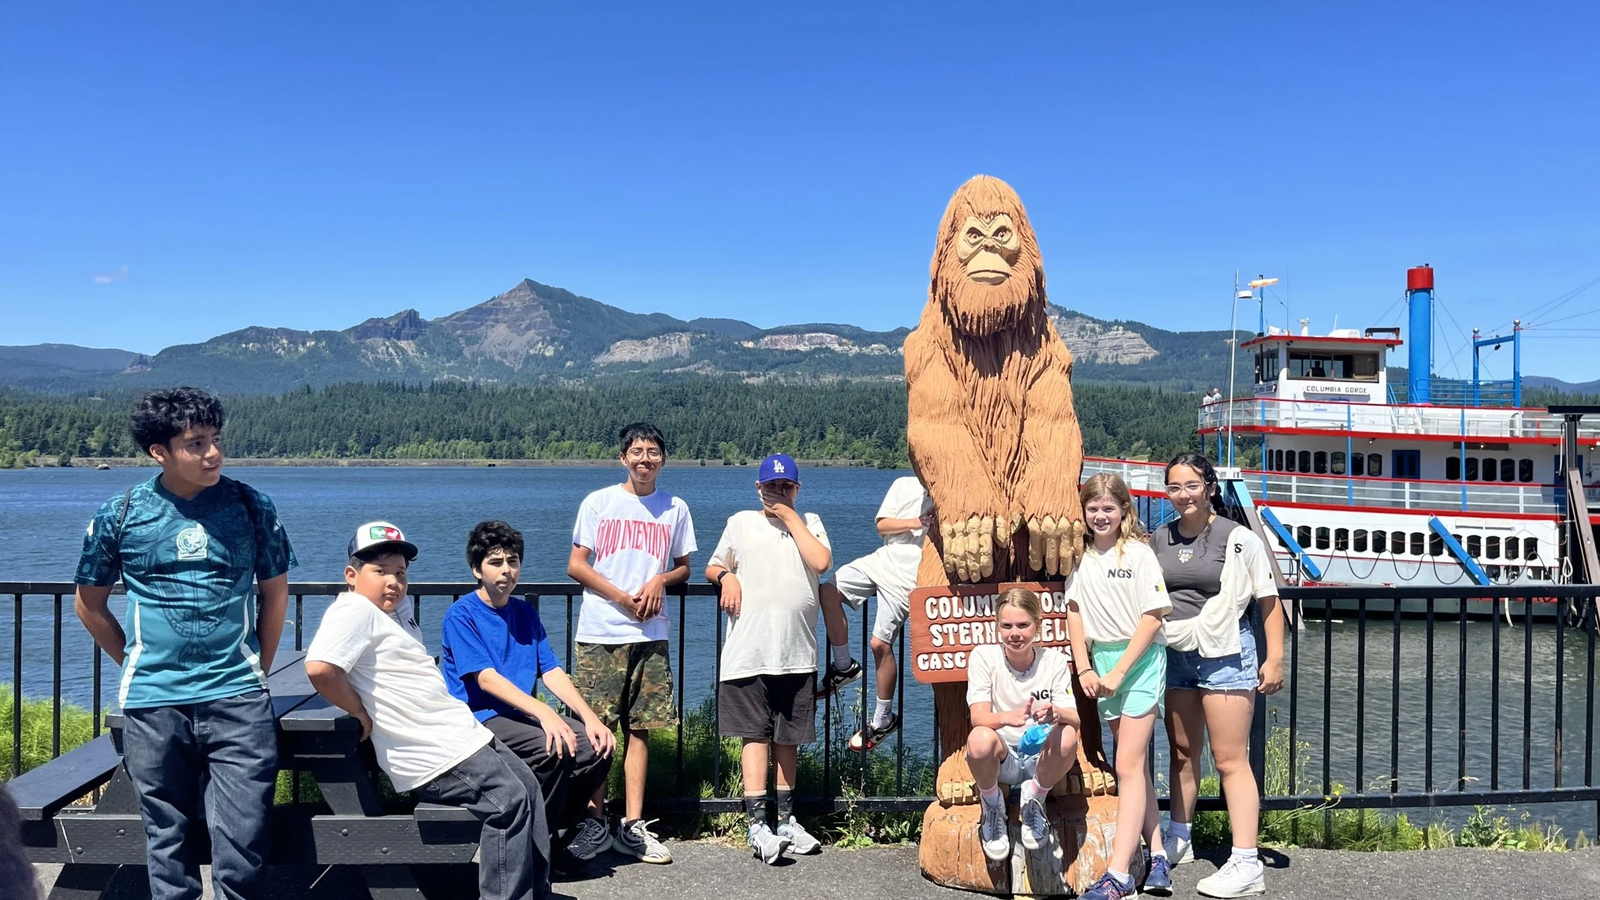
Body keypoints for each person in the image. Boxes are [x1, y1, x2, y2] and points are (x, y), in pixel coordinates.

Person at [73, 386, 294, 900]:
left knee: (242, 843)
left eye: (216, 439)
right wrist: (131, 657)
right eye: (195, 443)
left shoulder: (250, 505)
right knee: (166, 842)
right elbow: (89, 603)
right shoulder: (121, 512)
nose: (212, 453)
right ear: (160, 452)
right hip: (153, 700)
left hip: (238, 696)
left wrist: (255, 668)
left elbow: (275, 595)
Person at [306, 522, 550, 900]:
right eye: (380, 571)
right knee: (509, 804)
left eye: (400, 573)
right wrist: (358, 711)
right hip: (430, 752)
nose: (393, 581)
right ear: (351, 576)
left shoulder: (394, 611)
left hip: (457, 735)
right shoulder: (353, 610)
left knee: (530, 788)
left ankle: (536, 892)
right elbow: (321, 667)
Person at [441, 520, 616, 867]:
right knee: (553, 748)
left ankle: (548, 833)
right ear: (476, 569)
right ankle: (537, 850)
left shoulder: (524, 611)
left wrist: (590, 718)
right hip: (481, 718)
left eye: (513, 561)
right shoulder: (461, 615)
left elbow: (550, 670)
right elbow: (486, 680)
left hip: (519, 716)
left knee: (598, 747)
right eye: (495, 562)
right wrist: (545, 714)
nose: (507, 570)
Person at [1154, 452, 1285, 899]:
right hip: (1177, 653)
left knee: (1230, 760)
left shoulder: (1239, 538)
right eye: (1174, 486)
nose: (1183, 494)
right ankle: (1179, 836)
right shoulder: (1158, 538)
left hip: (1227, 652)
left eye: (1192, 485)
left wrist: (1274, 659)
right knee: (1182, 752)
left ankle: (1246, 861)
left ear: (1209, 486)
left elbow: (1269, 602)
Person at [566, 422, 696, 864]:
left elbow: (684, 568)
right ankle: (592, 821)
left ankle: (633, 826)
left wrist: (661, 578)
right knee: (595, 733)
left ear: (663, 458)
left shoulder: (674, 507)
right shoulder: (599, 502)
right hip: (601, 632)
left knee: (641, 730)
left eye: (653, 452)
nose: (645, 459)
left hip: (650, 634)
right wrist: (621, 597)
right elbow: (577, 565)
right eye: (637, 451)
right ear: (623, 457)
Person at [705, 453, 832, 865]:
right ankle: (757, 824)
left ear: (797, 489)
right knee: (755, 737)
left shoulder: (809, 522)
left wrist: (791, 517)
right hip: (749, 651)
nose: (777, 492)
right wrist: (727, 577)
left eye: (786, 486)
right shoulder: (740, 523)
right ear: (757, 488)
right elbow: (712, 565)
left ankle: (787, 822)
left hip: (796, 652)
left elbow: (821, 562)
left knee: (788, 739)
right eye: (770, 486)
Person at [1066, 474, 1173, 900]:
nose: (1101, 515)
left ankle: (1119, 875)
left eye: (1109, 508)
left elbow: (1152, 617)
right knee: (1134, 768)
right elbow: (1074, 613)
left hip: (1140, 661)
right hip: (1103, 662)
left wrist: (1118, 673)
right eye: (1093, 508)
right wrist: (1085, 668)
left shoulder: (1140, 555)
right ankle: (1159, 854)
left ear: (1124, 510)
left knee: (1126, 763)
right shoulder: (1080, 558)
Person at [816, 474, 933, 751]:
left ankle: (883, 720)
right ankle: (844, 667)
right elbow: (882, 525)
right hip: (883, 560)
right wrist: (916, 522)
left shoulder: (951, 488)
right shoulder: (904, 483)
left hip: (911, 577)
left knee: (879, 643)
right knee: (828, 591)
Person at [965, 587, 1081, 863]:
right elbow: (978, 717)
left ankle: (1035, 798)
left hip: (1039, 757)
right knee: (979, 739)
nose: (1014, 633)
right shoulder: (983, 657)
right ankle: (992, 806)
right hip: (1003, 755)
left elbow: (1075, 720)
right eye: (1006, 626)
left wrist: (1056, 713)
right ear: (997, 627)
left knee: (1066, 736)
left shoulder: (1053, 661)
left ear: (1037, 626)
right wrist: (1008, 717)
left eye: (1023, 625)